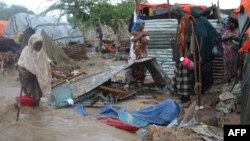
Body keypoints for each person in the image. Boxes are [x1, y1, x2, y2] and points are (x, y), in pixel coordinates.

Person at [171, 4, 219, 103]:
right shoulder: (183, 21)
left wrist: (188, 53)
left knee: (184, 75)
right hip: (182, 53)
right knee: (181, 75)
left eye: (174, 15)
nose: (174, 17)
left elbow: (189, 39)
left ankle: (186, 96)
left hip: (185, 54)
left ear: (178, 12)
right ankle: (184, 95)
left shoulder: (188, 20)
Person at [17, 34, 53, 105]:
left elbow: (45, 59)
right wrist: (23, 72)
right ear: (32, 43)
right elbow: (19, 64)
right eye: (36, 44)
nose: (39, 47)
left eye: (40, 45)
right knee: (32, 95)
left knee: (38, 97)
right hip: (27, 76)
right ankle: (19, 102)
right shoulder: (26, 50)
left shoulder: (41, 52)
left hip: (37, 76)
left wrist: (51, 62)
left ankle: (26, 104)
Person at [125, 19, 150, 85]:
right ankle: (132, 82)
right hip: (133, 55)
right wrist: (142, 35)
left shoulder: (145, 33)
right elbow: (133, 40)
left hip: (142, 55)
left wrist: (139, 35)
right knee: (132, 68)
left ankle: (141, 82)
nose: (143, 25)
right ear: (138, 25)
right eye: (142, 23)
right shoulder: (134, 33)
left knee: (142, 68)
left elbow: (146, 42)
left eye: (144, 23)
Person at [221, 17, 239, 84]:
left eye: (231, 23)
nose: (229, 25)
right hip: (227, 52)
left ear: (234, 24)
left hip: (234, 51)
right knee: (227, 64)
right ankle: (227, 79)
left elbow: (239, 39)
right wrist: (230, 37)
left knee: (234, 64)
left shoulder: (238, 31)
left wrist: (234, 38)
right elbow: (222, 39)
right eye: (228, 23)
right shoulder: (227, 31)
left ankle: (233, 78)